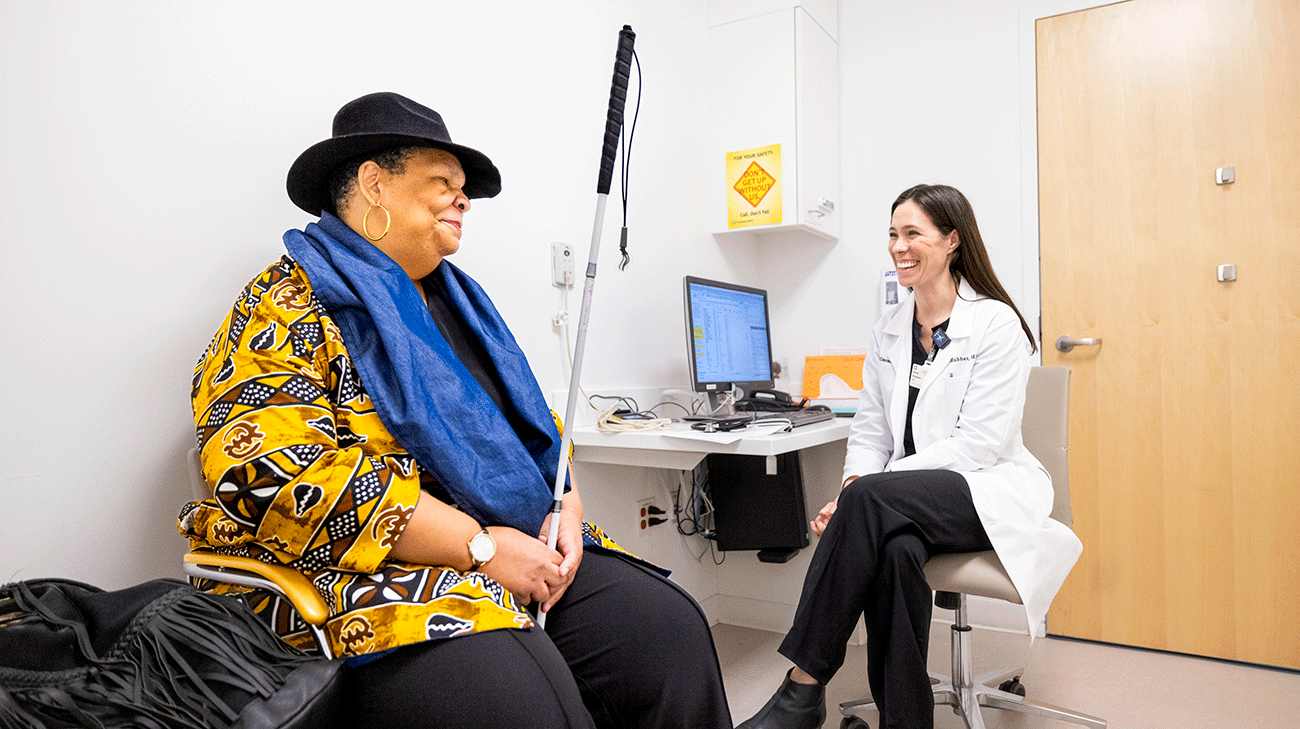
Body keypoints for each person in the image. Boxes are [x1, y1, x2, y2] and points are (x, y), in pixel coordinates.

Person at [179, 92, 732, 729]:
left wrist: (567, 510)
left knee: (667, 633)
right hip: (366, 571)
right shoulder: (284, 305)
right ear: (373, 183)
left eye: (462, 187)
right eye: (442, 182)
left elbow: (538, 432)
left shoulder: (463, 305)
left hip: (518, 541)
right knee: (527, 701)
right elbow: (271, 478)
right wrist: (477, 548)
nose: (463, 199)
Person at [736, 184, 1082, 729]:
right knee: (895, 550)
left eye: (913, 233)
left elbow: (980, 445)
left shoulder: (994, 325)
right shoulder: (889, 331)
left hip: (985, 491)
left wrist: (866, 494)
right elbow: (871, 431)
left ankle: (800, 693)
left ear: (951, 242)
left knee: (873, 504)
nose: (899, 246)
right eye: (893, 235)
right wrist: (859, 486)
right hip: (907, 504)